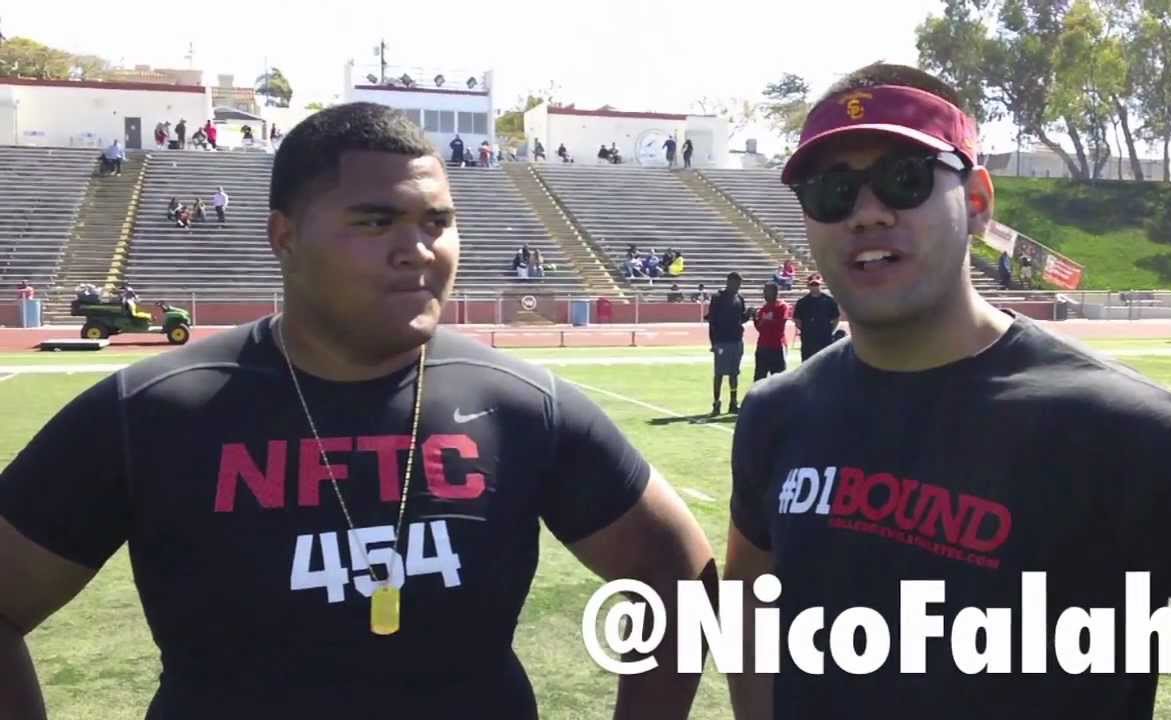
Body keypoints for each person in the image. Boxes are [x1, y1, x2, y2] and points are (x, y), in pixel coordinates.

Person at [0, 102, 715, 719]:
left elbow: (679, 571)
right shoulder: (150, 411)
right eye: (376, 222)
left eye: (438, 221)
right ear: (284, 236)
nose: (419, 251)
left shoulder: (519, 404)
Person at [725, 62, 1171, 720]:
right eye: (831, 191)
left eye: (905, 179)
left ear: (979, 202)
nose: (867, 213)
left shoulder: (1150, 441)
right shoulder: (776, 414)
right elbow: (750, 614)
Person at [705, 271, 748, 416]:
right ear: (729, 282)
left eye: (739, 284)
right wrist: (714, 343)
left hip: (736, 340)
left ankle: (733, 402)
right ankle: (716, 403)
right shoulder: (718, 298)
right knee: (719, 374)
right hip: (722, 341)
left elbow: (740, 319)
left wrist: (748, 315)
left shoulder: (740, 299)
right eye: (736, 283)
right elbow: (712, 321)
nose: (738, 287)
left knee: (734, 374)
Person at [790, 275, 840, 361]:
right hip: (808, 340)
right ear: (808, 286)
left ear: (821, 285)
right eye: (812, 285)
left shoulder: (829, 301)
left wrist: (830, 330)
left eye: (817, 284)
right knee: (807, 364)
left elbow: (836, 317)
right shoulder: (802, 302)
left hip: (824, 339)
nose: (814, 287)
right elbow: (797, 319)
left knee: (825, 364)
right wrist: (806, 329)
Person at [751, 281, 789, 381]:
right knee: (759, 378)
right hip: (762, 347)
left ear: (775, 292)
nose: (764, 294)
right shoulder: (764, 308)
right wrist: (755, 319)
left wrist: (766, 321)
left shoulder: (782, 306)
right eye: (764, 291)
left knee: (778, 380)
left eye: (767, 291)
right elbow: (760, 328)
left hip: (777, 347)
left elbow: (781, 324)